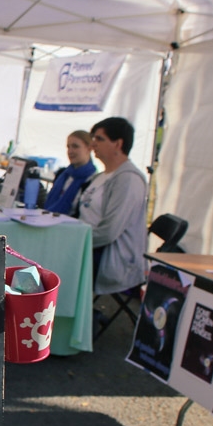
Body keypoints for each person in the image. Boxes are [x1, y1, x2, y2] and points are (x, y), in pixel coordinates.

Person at [76, 117, 148, 295]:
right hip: (88, 246)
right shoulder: (100, 176)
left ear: (118, 144)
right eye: (93, 138)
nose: (93, 144)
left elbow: (110, 232)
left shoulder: (128, 179)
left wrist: (73, 241)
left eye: (100, 139)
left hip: (108, 257)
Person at [44, 130, 97, 215]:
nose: (70, 151)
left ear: (89, 148)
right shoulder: (62, 174)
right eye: (68, 147)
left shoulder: (93, 180)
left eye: (75, 146)